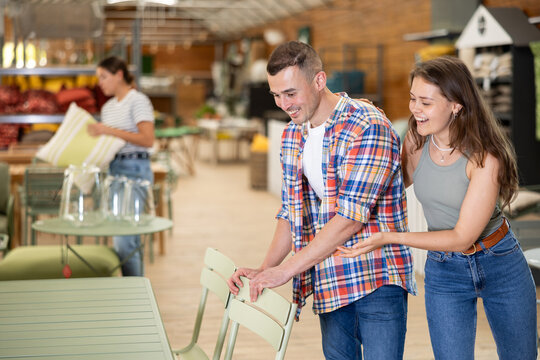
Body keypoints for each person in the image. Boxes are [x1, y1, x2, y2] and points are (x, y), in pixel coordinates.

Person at [339, 56, 537, 359]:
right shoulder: (416, 143)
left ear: (455, 104)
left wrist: (390, 237)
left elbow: (461, 238)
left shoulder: (484, 158)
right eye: (412, 99)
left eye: (426, 102)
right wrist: (368, 118)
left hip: (500, 263)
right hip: (446, 270)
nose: (415, 109)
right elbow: (387, 185)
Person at [227, 41, 416, 360]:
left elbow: (350, 219)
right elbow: (292, 212)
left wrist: (285, 271)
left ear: (319, 80)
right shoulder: (293, 135)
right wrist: (263, 270)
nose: (284, 103)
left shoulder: (367, 125)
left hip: (376, 280)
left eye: (290, 93)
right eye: (276, 94)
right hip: (329, 277)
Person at [88, 56, 155, 276]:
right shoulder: (107, 107)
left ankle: (135, 291)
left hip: (136, 169)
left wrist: (108, 131)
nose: (100, 82)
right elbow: (111, 142)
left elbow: (147, 139)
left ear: (119, 75)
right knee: (120, 236)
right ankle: (131, 288)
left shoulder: (138, 101)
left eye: (104, 76)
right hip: (115, 170)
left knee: (126, 239)